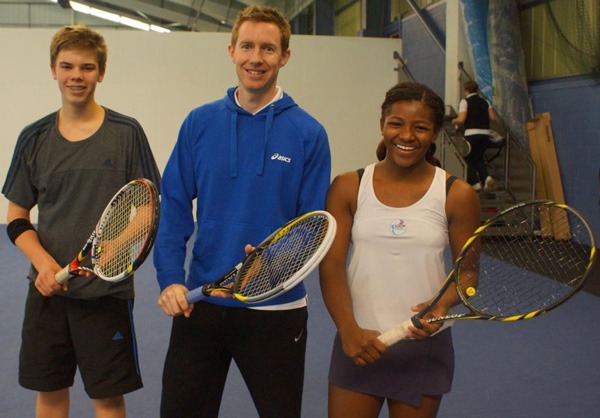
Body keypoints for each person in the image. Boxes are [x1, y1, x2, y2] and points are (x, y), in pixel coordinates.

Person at [153, 5, 331, 418]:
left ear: (284, 56)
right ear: (231, 51)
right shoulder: (199, 123)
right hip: (201, 304)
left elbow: (311, 227)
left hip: (276, 311)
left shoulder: (309, 133)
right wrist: (169, 280)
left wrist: (271, 267)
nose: (256, 58)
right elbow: (175, 207)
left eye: (268, 48)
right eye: (247, 46)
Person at [2, 24, 161, 417]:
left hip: (105, 296)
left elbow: (146, 207)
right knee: (51, 393)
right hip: (47, 295)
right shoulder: (33, 137)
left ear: (101, 72)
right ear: (54, 70)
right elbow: (17, 218)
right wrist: (42, 264)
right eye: (68, 66)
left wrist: (109, 254)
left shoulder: (127, 133)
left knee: (107, 399)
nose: (77, 76)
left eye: (87, 68)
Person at [319, 82, 480, 418]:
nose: (407, 135)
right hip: (358, 344)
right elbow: (331, 267)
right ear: (382, 125)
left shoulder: (457, 194)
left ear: (435, 132)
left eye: (420, 127)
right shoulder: (348, 186)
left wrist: (444, 303)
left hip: (424, 349)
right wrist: (349, 331)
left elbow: (468, 274)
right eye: (396, 124)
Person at [452, 80, 497, 191]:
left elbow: (461, 119)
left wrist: (454, 120)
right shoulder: (485, 101)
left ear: (466, 90)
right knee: (478, 158)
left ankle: (475, 183)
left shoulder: (465, 101)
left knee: (467, 158)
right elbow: (492, 117)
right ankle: (486, 178)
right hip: (485, 134)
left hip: (472, 134)